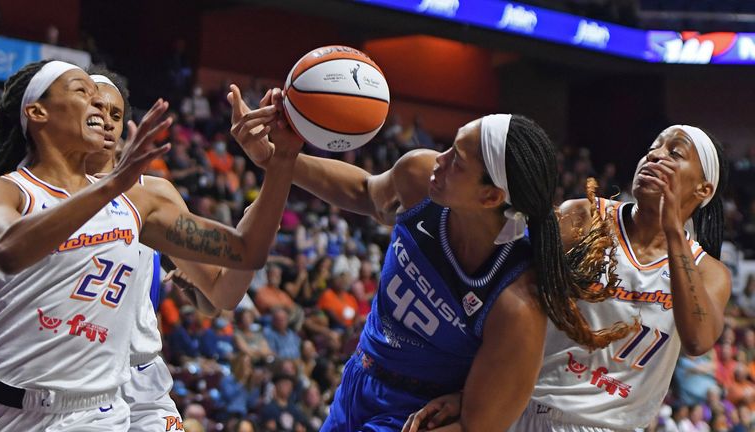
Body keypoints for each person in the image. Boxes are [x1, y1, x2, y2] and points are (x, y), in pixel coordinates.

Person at [230, 86, 629, 430]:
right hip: (358, 377)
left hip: (416, 416)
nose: (439, 160)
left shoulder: (516, 303)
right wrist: (273, 157)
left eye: (457, 160)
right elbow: (367, 194)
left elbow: (481, 425)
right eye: (449, 147)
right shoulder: (420, 179)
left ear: (489, 197)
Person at [0, 60, 300, 431]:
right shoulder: (7, 190)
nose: (100, 113)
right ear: (37, 112)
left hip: (107, 402)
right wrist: (112, 185)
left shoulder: (140, 199)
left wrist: (281, 161)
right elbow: (8, 251)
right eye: (86, 97)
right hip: (12, 405)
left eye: (113, 111)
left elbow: (244, 257)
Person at [404, 125, 732, 432]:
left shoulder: (708, 272)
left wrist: (673, 227)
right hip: (528, 410)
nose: (655, 156)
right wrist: (472, 394)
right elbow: (511, 304)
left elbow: (697, 340)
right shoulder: (585, 218)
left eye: (675, 153)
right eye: (652, 148)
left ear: (703, 189)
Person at [85, 68, 262, 431]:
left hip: (142, 377)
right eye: (95, 110)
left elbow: (216, 299)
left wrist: (277, 171)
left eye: (115, 115)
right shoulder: (42, 195)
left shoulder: (153, 195)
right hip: (79, 373)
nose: (105, 121)